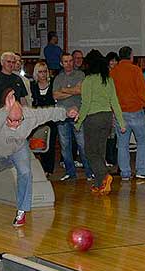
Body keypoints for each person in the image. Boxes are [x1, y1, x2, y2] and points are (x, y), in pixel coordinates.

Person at [0, 88, 79, 227]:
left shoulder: (29, 116)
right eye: (12, 121)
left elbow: (49, 112)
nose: (16, 124)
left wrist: (66, 113)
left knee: (26, 172)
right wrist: (6, 110)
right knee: (3, 167)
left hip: (18, 147)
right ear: (5, 116)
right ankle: (4, 164)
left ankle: (22, 211)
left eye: (19, 120)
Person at [76, 50, 125, 194]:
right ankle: (100, 184)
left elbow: (85, 104)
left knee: (90, 152)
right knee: (100, 152)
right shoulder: (108, 79)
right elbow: (114, 102)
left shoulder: (88, 81)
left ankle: (104, 175)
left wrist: (78, 123)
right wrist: (121, 123)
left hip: (93, 119)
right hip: (107, 118)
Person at [110, 46, 145, 180]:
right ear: (131, 56)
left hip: (120, 113)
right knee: (142, 142)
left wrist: (113, 111)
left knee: (122, 144)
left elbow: (111, 94)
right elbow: (142, 91)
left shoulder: (113, 72)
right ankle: (141, 170)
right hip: (136, 111)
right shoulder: (136, 70)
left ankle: (125, 173)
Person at [53, 52, 94, 181]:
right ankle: (71, 173)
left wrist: (64, 90)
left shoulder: (80, 75)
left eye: (71, 61)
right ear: (61, 63)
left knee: (82, 145)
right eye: (66, 61)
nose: (69, 63)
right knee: (65, 146)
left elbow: (80, 90)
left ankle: (89, 172)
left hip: (78, 115)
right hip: (62, 116)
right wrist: (72, 91)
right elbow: (55, 95)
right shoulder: (58, 78)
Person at [0, 52, 28, 130]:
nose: (11, 64)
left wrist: (27, 117)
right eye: (8, 61)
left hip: (16, 119)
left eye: (13, 62)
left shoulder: (18, 79)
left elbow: (23, 101)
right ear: (2, 63)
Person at [30, 61, 58, 177]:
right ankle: (40, 168)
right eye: (40, 72)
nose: (43, 74)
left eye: (45, 71)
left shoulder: (53, 84)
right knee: (38, 144)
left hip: (51, 119)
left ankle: (49, 169)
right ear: (36, 73)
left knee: (50, 145)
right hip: (37, 120)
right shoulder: (33, 86)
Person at [105, 51, 120, 167]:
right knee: (108, 133)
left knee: (114, 133)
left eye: (115, 60)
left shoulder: (119, 73)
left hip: (117, 106)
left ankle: (113, 157)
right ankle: (108, 157)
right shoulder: (105, 74)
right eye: (111, 60)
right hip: (107, 106)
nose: (113, 62)